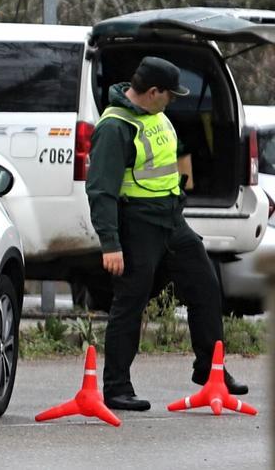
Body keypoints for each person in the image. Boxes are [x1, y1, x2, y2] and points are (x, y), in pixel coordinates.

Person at [87, 56, 248, 412]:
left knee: (206, 286)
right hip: (138, 223)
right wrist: (110, 243)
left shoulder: (156, 115)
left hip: (172, 219)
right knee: (130, 302)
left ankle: (210, 371)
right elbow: (101, 190)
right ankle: (116, 387)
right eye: (170, 94)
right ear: (153, 91)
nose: (173, 100)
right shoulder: (115, 127)